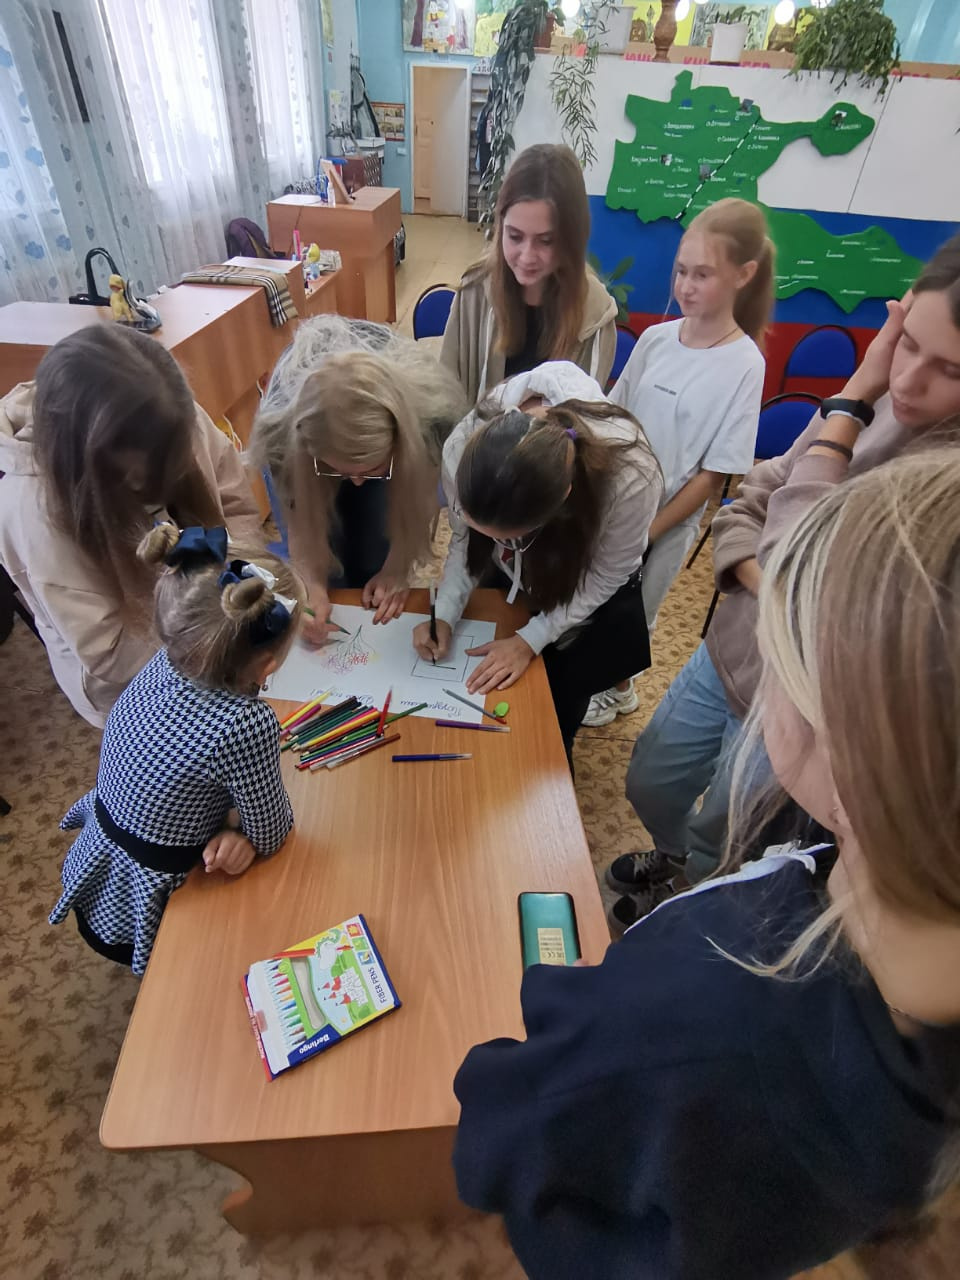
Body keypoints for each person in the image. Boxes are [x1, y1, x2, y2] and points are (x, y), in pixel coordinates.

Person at [453, 448, 960, 1280]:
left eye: (779, 657)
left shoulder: (703, 1013)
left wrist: (556, 1000)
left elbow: (501, 1136)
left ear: (852, 753)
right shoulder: (863, 913)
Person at [611, 231, 960, 928]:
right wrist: (770, 579)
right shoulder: (872, 407)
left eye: (948, 368)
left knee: (733, 832)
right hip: (736, 650)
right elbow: (753, 498)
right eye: (907, 345)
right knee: (651, 777)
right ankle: (673, 857)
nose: (907, 380)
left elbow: (825, 595)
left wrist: (850, 402)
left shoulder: (930, 473)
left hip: (807, 704)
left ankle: (689, 896)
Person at [49, 524, 302, 976]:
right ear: (267, 667)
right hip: (147, 904)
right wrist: (241, 834)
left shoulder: (164, 661)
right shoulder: (246, 722)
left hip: (99, 866)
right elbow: (271, 831)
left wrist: (231, 823)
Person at [0, 325, 263, 727]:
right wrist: (214, 636)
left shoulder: (167, 412)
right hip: (137, 686)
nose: (158, 488)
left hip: (211, 637)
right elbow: (110, 651)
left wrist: (245, 574)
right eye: (139, 481)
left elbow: (234, 502)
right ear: (92, 465)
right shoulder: (33, 514)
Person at [583, 197, 771, 726]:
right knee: (596, 597)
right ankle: (594, 673)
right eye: (681, 270)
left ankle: (620, 689)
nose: (685, 285)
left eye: (702, 274)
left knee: (634, 611)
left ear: (743, 275)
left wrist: (649, 532)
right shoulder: (657, 338)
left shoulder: (745, 363)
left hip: (667, 519)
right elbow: (613, 411)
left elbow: (712, 475)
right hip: (614, 502)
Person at [414, 362, 662, 759]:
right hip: (524, 577)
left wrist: (531, 639)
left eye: (509, 538)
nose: (498, 547)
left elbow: (606, 574)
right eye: (486, 533)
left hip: (584, 589)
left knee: (552, 727)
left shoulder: (631, 476)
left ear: (563, 499)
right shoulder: (464, 445)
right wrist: (444, 610)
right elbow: (464, 540)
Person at [251, 315, 467, 645]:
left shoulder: (434, 423)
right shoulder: (282, 437)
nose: (356, 482)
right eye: (341, 471)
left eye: (370, 471)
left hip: (406, 424)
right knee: (328, 578)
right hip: (299, 442)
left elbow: (419, 500)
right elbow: (300, 522)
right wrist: (312, 588)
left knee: (372, 552)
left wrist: (396, 568)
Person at [440, 144, 618, 405]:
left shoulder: (596, 315)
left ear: (572, 239)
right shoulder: (475, 293)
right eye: (514, 236)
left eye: (545, 241)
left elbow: (585, 418)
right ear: (501, 226)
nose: (526, 257)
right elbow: (446, 398)